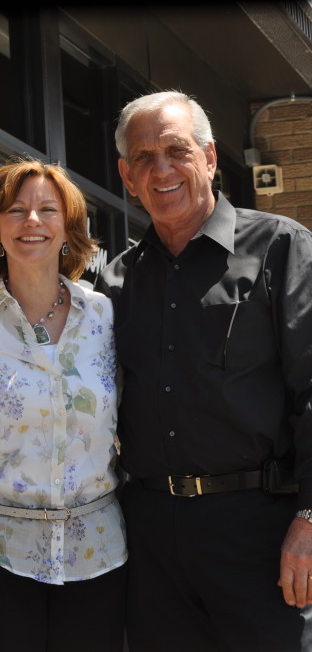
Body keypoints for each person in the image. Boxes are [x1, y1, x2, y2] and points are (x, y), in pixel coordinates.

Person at [96, 90, 312, 650]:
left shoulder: (280, 248)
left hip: (260, 534)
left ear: (210, 158)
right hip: (150, 546)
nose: (160, 169)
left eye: (176, 150)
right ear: (126, 175)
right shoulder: (114, 283)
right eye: (143, 158)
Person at [0, 158, 126, 652]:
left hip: (97, 552)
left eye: (47, 209)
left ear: (68, 226)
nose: (32, 222)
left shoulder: (104, 315)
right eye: (16, 210)